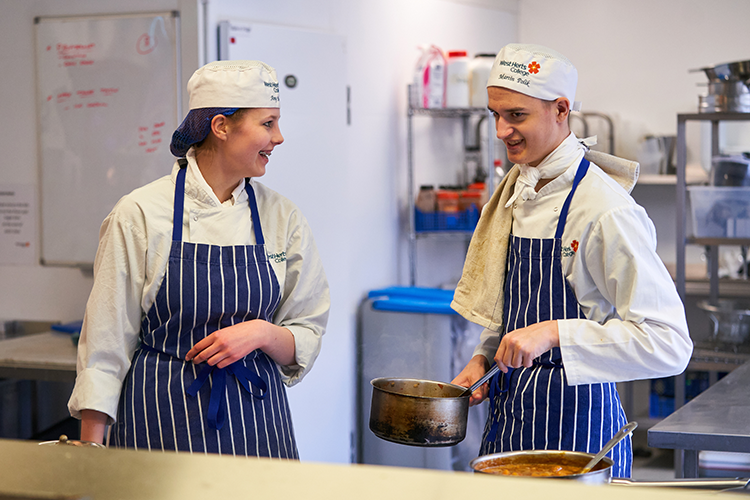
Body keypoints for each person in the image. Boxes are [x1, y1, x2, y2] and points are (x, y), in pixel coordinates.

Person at [450, 44, 692, 478]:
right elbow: (514, 302)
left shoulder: (604, 210)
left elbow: (669, 344)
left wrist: (553, 333)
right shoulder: (517, 190)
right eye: (495, 115)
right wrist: (484, 357)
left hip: (580, 438)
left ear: (561, 109)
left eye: (516, 116)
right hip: (510, 423)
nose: (502, 131)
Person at [68, 60, 330, 458]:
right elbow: (105, 344)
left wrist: (260, 332)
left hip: (256, 424)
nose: (279, 137)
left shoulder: (283, 217)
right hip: (159, 422)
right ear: (221, 126)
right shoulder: (140, 213)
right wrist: (88, 453)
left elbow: (307, 329)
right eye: (268, 123)